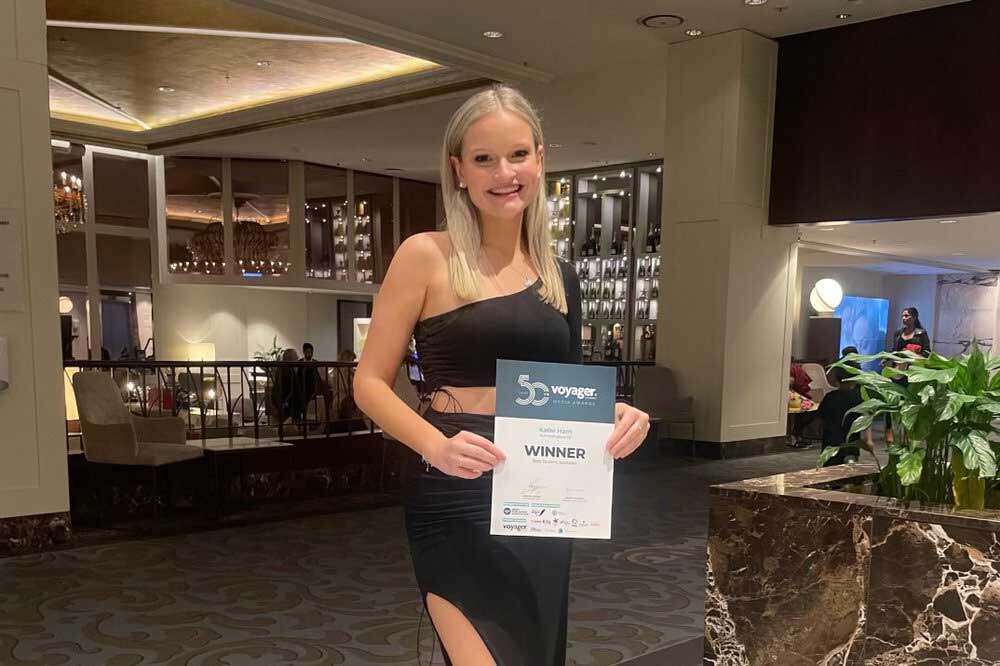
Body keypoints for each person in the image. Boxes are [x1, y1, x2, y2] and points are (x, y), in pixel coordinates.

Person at [353, 85, 650, 665]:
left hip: (541, 490)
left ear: (540, 159)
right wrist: (435, 447)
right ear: (458, 169)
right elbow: (368, 383)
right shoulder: (426, 256)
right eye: (484, 158)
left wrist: (616, 415)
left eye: (517, 155)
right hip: (455, 485)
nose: (504, 173)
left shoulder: (560, 275)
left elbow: (568, 392)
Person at [884, 307, 931, 443]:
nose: (904, 318)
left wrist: (914, 354)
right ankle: (888, 429)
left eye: (907, 316)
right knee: (891, 400)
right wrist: (886, 358)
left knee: (909, 402)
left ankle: (908, 430)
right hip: (897, 370)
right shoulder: (898, 333)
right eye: (903, 316)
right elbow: (894, 350)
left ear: (914, 317)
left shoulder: (921, 334)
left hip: (912, 372)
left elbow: (927, 352)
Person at [819, 361, 868, 466]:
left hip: (830, 445)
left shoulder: (829, 397)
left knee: (829, 472)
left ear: (837, 379)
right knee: (849, 471)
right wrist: (869, 440)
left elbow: (822, 416)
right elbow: (866, 420)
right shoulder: (859, 398)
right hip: (850, 447)